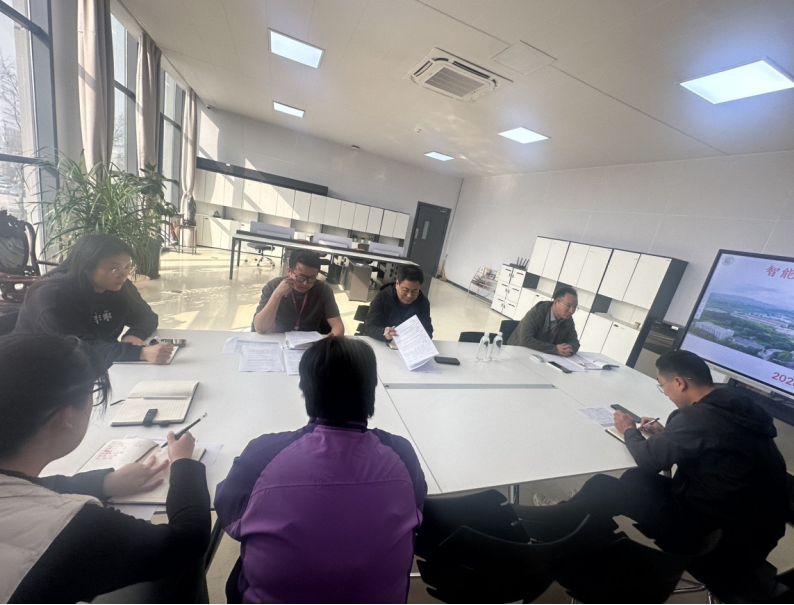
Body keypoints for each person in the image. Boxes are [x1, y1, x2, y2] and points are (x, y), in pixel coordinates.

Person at [516, 350, 787, 587]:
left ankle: (556, 535)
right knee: (635, 479)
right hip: (752, 533)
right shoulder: (733, 406)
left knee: (604, 488)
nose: (665, 393)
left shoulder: (697, 418)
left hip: (716, 542)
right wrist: (668, 434)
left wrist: (629, 430)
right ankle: (578, 532)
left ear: (679, 382)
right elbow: (712, 445)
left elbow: (649, 459)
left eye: (662, 386)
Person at [0, 333, 211, 603]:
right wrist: (184, 464)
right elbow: (189, 540)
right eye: (93, 395)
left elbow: (20, 489)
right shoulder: (71, 527)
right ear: (66, 417)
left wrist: (103, 482)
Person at [215, 336, 427, 603]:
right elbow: (417, 510)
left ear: (306, 390)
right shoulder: (402, 454)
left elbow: (229, 515)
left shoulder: (263, 455)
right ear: (371, 390)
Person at [14, 233, 173, 366]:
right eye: (114, 269)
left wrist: (134, 335)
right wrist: (141, 353)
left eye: (127, 267)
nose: (123, 275)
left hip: (91, 365)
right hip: (42, 370)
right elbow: (80, 348)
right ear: (87, 266)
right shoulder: (52, 297)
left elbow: (147, 317)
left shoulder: (119, 285)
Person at [252, 251, 344, 335]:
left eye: (311, 278)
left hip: (310, 340)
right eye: (301, 277)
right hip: (279, 336)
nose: (305, 283)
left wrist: (332, 339)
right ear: (289, 272)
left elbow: (338, 325)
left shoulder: (323, 290)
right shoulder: (273, 286)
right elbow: (260, 328)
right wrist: (277, 295)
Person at [362, 264, 433, 341]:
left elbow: (427, 331)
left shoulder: (423, 302)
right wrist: (383, 332)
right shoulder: (383, 297)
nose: (409, 295)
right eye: (405, 290)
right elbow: (369, 326)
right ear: (397, 284)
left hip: (407, 344)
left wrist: (419, 337)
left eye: (415, 291)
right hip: (382, 342)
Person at [507, 286, 580, 356]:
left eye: (574, 307)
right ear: (556, 303)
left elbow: (574, 341)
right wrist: (555, 349)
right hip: (517, 351)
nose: (571, 311)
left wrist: (568, 350)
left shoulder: (568, 319)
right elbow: (525, 339)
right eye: (568, 306)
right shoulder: (537, 312)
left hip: (543, 355)